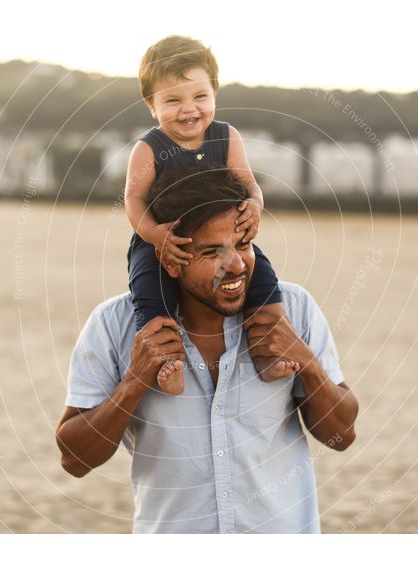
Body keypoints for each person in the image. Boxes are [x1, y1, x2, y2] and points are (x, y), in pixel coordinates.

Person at [57, 167, 358, 534]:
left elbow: (341, 436)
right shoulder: (113, 325)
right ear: (170, 257)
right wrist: (133, 383)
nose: (235, 265)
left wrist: (307, 363)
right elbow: (74, 460)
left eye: (243, 245)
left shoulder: (294, 310)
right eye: (212, 251)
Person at [125, 35, 294, 396]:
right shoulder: (149, 147)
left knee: (263, 279)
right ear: (151, 105)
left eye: (200, 97)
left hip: (225, 237)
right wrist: (155, 236)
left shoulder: (226, 136)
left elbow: (249, 183)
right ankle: (167, 362)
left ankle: (268, 354)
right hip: (164, 238)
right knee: (149, 292)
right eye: (172, 100)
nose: (189, 109)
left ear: (215, 93)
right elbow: (134, 200)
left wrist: (255, 204)